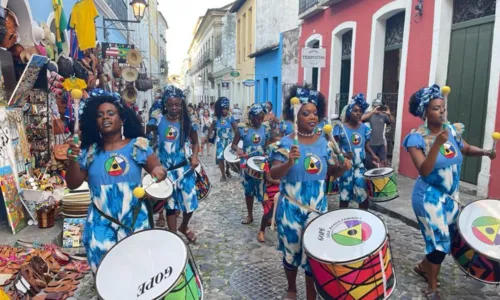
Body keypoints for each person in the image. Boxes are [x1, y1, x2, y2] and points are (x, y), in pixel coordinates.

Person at [403, 84, 495, 299]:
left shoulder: (452, 131)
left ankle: (422, 267)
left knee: (451, 238)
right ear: (424, 112)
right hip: (428, 197)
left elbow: (466, 148)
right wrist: (436, 144)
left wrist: (485, 152)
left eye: (443, 107)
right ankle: (433, 287)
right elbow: (424, 171)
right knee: (439, 241)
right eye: (436, 108)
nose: (442, 111)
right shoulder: (416, 138)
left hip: (450, 197)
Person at [66, 90, 166, 273]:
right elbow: (72, 183)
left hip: (134, 218)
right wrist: (72, 159)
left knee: (139, 269)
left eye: (111, 113)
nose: (105, 117)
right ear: (93, 122)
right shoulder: (89, 152)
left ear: (122, 119)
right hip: (100, 222)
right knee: (105, 270)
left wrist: (159, 172)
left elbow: (156, 168)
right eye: (99, 115)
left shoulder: (138, 145)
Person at [270, 86, 351, 300]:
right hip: (291, 208)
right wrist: (289, 161)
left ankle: (310, 296)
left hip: (317, 208)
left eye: (315, 112)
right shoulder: (285, 143)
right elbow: (273, 174)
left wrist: (343, 167)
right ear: (294, 115)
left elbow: (333, 171)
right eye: (306, 113)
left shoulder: (325, 142)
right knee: (291, 252)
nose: (312, 117)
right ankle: (291, 287)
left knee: (313, 256)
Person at [148, 85, 200, 242]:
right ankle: (174, 238)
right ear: (165, 104)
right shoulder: (157, 120)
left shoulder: (188, 121)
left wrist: (195, 157)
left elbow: (196, 142)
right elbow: (149, 140)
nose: (174, 108)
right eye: (170, 104)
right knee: (170, 205)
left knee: (190, 203)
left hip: (184, 168)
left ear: (181, 103)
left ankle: (183, 226)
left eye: (177, 104)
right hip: (165, 171)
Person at [334, 93, 379, 210]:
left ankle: (364, 217)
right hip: (346, 167)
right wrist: (343, 155)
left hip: (360, 166)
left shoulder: (365, 128)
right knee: (344, 195)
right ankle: (343, 218)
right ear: (349, 111)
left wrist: (373, 156)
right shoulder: (340, 128)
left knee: (363, 193)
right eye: (355, 111)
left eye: (360, 111)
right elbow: (332, 147)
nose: (358, 113)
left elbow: (366, 145)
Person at [231, 103, 271, 224]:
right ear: (251, 117)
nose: (259, 120)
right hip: (247, 163)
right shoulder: (243, 128)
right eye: (257, 118)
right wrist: (238, 150)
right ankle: (250, 215)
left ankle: (267, 215)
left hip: (261, 163)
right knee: (248, 190)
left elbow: (268, 145)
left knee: (264, 189)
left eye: (261, 118)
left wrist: (268, 154)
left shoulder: (265, 128)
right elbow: (234, 144)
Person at [257, 132, 282, 243]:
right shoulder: (267, 161)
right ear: (270, 144)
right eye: (275, 143)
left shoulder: (284, 160)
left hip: (282, 190)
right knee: (269, 212)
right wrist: (282, 182)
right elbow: (269, 179)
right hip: (271, 191)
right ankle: (261, 231)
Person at [209, 97, 237, 181]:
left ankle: (227, 170)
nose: (225, 110)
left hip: (229, 141)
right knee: (220, 158)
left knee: (228, 157)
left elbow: (235, 129)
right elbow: (211, 128)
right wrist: (207, 138)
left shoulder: (230, 118)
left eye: (226, 109)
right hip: (219, 141)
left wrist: (238, 140)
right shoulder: (216, 118)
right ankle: (223, 174)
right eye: (223, 109)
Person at [361, 99, 394, 168]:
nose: (378, 108)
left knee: (383, 162)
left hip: (380, 143)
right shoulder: (369, 114)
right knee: (369, 164)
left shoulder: (383, 116)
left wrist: (389, 114)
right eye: (376, 106)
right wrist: (372, 112)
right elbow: (361, 119)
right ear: (373, 106)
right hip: (370, 144)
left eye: (379, 107)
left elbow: (392, 121)